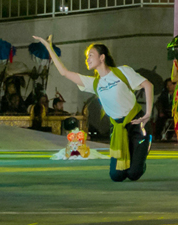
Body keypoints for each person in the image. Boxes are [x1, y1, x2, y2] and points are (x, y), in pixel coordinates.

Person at [33, 35, 154, 182]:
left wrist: (148, 113)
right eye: (86, 57)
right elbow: (64, 72)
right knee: (117, 176)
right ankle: (133, 162)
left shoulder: (122, 72)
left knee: (134, 174)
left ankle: (140, 161)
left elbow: (148, 85)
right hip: (117, 129)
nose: (87, 59)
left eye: (90, 55)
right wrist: (49, 48)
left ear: (102, 57)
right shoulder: (93, 83)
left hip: (137, 124)